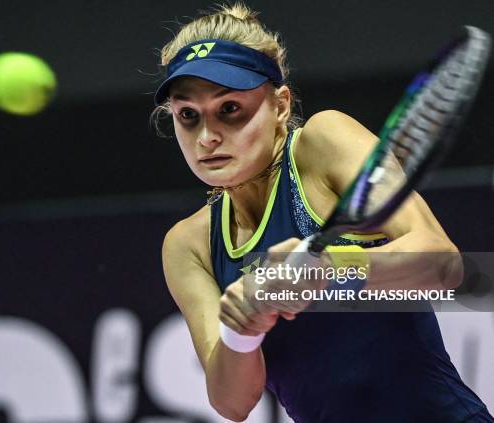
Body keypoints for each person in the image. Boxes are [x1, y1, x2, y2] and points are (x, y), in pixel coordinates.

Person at [154, 3, 494, 422]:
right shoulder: (188, 245)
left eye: (229, 109)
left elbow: (445, 264)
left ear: (280, 105)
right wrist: (243, 327)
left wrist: (329, 268)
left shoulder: (323, 142)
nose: (206, 137)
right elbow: (233, 403)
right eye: (188, 116)